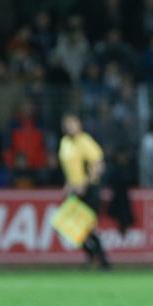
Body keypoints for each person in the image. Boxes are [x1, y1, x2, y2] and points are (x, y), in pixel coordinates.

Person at [59, 113, 111, 270]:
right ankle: (93, 256)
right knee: (66, 226)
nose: (70, 127)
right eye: (67, 124)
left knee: (86, 226)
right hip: (74, 190)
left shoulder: (85, 141)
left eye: (72, 123)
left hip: (89, 190)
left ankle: (103, 261)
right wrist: (69, 183)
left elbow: (98, 164)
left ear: (79, 125)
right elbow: (69, 167)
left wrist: (85, 183)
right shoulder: (65, 143)